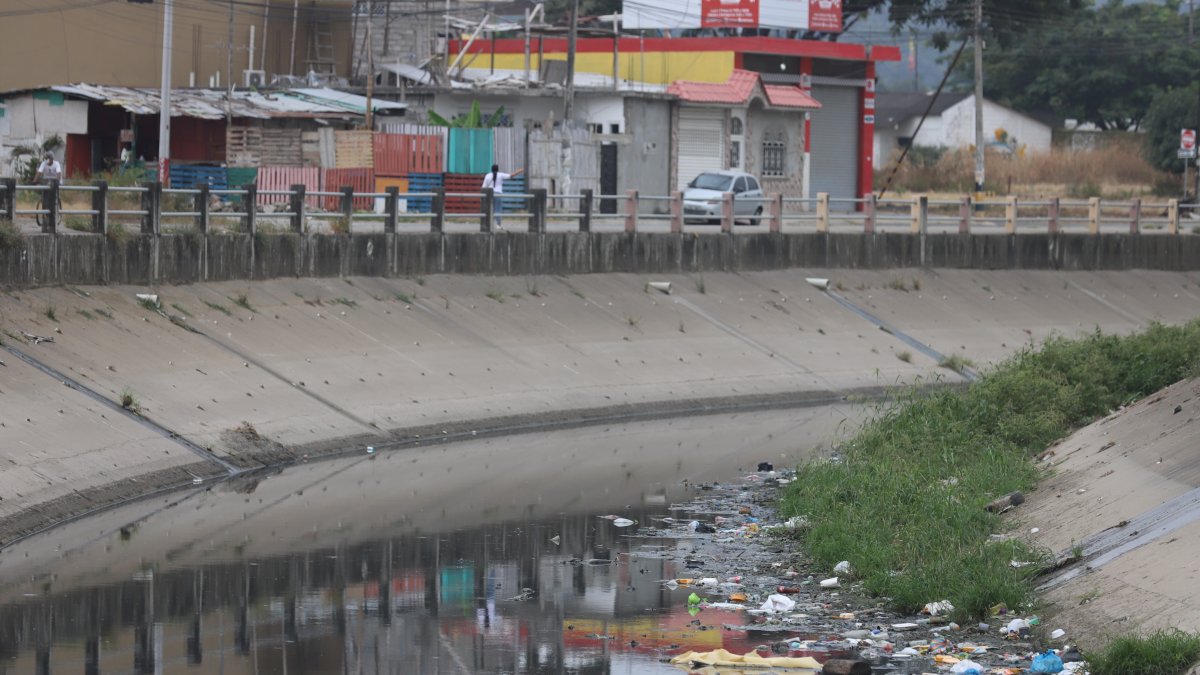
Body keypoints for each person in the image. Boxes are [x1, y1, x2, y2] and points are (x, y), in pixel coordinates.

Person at [481, 164, 523, 230]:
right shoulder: (500, 175)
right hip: (498, 194)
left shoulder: (487, 175)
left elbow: (483, 187)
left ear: (491, 169)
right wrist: (519, 171)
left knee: (489, 209)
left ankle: (488, 224)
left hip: (489, 194)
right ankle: (498, 225)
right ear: (498, 169)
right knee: (498, 209)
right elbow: (511, 175)